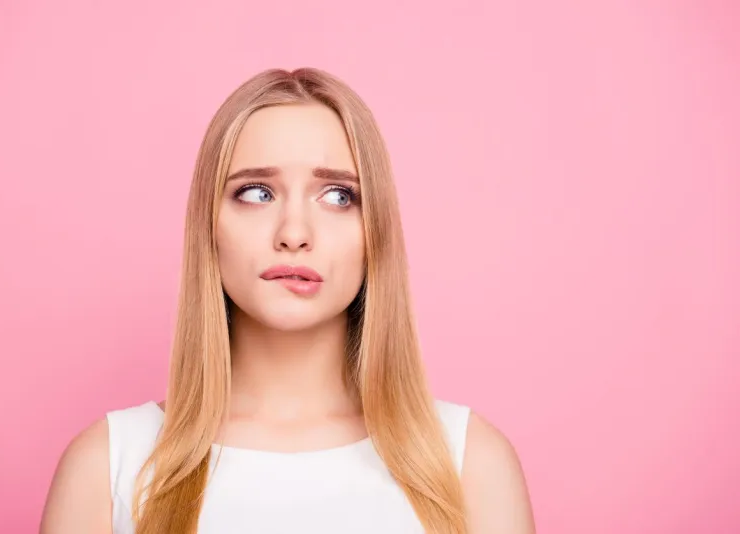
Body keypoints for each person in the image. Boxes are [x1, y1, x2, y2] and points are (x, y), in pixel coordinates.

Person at [40, 67, 535, 534]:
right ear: (208, 227)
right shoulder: (106, 468)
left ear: (375, 231)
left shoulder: (471, 465)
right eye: (257, 193)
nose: (294, 234)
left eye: (339, 196)